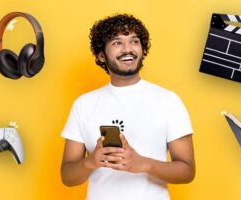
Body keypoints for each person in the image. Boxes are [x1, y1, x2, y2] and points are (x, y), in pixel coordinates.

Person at [60, 13, 195, 200]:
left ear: (142, 49)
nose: (128, 49)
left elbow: (187, 171)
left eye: (134, 41)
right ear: (101, 55)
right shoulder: (84, 104)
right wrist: (91, 162)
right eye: (117, 43)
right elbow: (67, 175)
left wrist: (143, 164)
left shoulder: (168, 101)